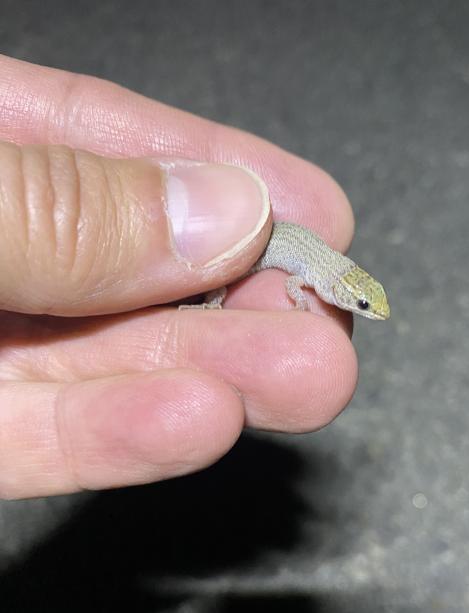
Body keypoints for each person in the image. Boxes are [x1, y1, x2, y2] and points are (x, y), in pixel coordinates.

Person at [0, 55, 358, 500]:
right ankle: (201, 302)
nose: (362, 309)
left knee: (206, 286)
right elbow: (291, 284)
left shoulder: (324, 275)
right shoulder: (322, 277)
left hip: (252, 248)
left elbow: (293, 282)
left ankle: (197, 301)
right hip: (246, 249)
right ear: (345, 290)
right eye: (361, 303)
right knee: (212, 284)